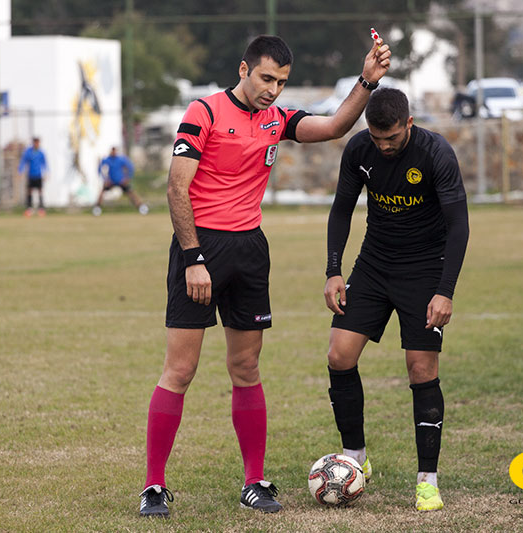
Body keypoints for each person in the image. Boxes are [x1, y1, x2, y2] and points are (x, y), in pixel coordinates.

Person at [138, 34, 391, 518]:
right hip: (201, 248)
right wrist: (193, 257)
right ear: (243, 70)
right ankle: (154, 486)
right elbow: (176, 188)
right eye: (266, 78)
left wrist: (367, 82)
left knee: (247, 368)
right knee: (181, 369)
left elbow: (337, 124)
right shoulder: (204, 113)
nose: (273, 90)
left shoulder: (278, 119)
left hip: (251, 250)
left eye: (281, 82)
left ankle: (254, 481)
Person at [322, 87, 469, 512]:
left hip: (425, 269)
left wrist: (445, 291)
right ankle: (355, 460)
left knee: (421, 369)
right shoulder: (359, 149)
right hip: (374, 264)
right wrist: (334, 270)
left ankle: (427, 481)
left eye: (391, 139)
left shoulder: (436, 154)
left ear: (408, 123)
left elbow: (459, 226)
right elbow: (341, 210)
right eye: (376, 138)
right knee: (339, 355)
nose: (383, 146)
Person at [93, 146, 148, 216]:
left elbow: (130, 168)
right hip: (111, 182)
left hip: (121, 181)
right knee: (101, 192)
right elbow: (99, 169)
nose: (113, 152)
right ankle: (97, 208)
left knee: (131, 193)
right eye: (112, 151)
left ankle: (141, 207)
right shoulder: (107, 159)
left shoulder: (121, 159)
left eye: (115, 151)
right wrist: (105, 179)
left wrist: (127, 178)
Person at [18, 137, 48, 216]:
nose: (36, 144)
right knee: (29, 191)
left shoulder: (41, 153)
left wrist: (46, 173)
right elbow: (23, 161)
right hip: (31, 175)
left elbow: (44, 164)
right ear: (33, 143)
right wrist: (20, 171)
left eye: (38, 143)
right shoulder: (28, 152)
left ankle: (41, 209)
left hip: (38, 175)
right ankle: (29, 209)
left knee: (40, 191)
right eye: (35, 142)